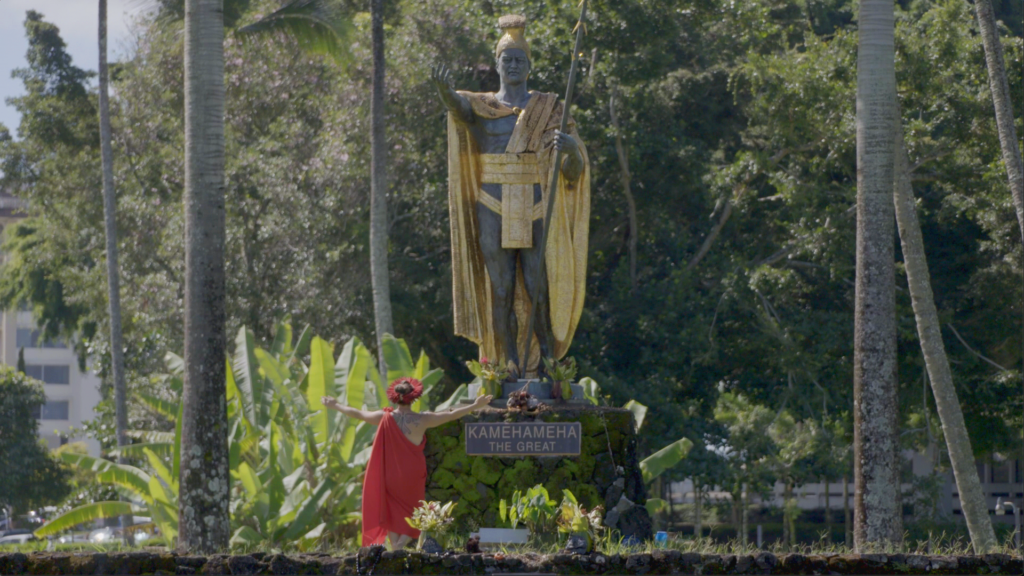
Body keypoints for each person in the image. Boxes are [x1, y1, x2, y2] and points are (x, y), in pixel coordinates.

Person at [432, 14, 591, 378]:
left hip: (535, 204)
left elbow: (572, 175)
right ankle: (507, 364)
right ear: (498, 64)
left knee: (538, 289)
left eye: (520, 58)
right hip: (493, 203)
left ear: (529, 65)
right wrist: (445, 93)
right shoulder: (483, 106)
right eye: (508, 58)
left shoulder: (550, 108)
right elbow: (458, 107)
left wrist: (573, 152)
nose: (514, 64)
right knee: (501, 289)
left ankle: (549, 364)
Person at [322, 379, 493, 549]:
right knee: (415, 508)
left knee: (391, 507)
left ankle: (396, 546)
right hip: (413, 472)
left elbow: (357, 413)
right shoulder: (423, 419)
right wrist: (474, 405)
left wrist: (336, 405)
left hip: (390, 473)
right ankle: (400, 545)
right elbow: (449, 415)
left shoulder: (384, 417)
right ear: (414, 398)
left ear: (394, 397)